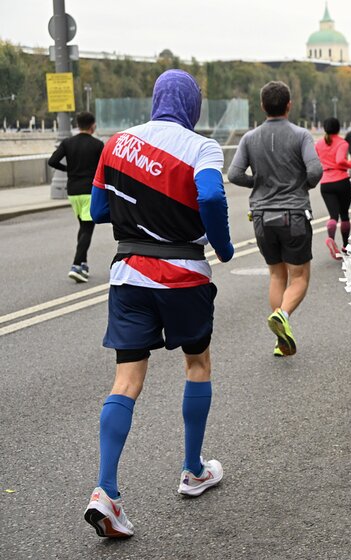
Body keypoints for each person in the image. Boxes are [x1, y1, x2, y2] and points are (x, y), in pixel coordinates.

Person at [84, 69, 234, 538]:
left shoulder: (117, 143)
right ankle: (192, 471)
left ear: (155, 100)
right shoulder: (202, 147)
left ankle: (106, 491)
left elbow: (98, 209)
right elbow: (210, 194)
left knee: (126, 378)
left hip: (128, 273)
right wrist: (223, 247)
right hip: (183, 275)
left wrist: (138, 209)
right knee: (198, 364)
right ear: (192, 105)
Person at [228, 81, 323, 357]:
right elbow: (315, 171)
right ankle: (282, 315)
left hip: (261, 215)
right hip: (293, 213)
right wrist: (299, 185)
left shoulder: (249, 138)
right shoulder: (301, 135)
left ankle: (281, 338)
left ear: (262, 106)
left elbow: (233, 175)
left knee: (276, 274)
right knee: (300, 276)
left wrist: (257, 184)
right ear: (289, 105)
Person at [48, 111, 104, 283]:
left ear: (78, 125)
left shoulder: (67, 142)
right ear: (92, 125)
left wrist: (69, 171)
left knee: (83, 227)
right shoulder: (97, 145)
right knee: (87, 229)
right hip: (89, 192)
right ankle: (75, 265)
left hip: (73, 192)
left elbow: (52, 161)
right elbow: (105, 167)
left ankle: (83, 265)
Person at [314, 117, 351, 260]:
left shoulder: (318, 144)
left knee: (333, 216)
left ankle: (330, 238)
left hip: (326, 183)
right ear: (338, 128)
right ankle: (345, 245)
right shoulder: (342, 143)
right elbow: (340, 161)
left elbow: (315, 161)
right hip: (341, 182)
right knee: (344, 215)